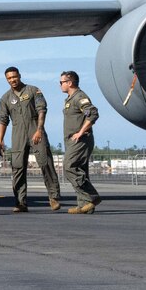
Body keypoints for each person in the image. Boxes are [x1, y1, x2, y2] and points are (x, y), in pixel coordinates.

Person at [0, 66, 61, 212]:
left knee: (45, 163)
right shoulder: (5, 98)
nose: (12, 80)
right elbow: (2, 120)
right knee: (18, 168)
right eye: (9, 78)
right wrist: (0, 140)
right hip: (17, 133)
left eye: (14, 77)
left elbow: (42, 110)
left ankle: (54, 197)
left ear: (19, 75)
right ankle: (20, 202)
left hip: (35, 129)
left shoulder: (33, 90)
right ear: (7, 80)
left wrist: (39, 130)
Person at [59, 70, 104, 214]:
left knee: (69, 167)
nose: (60, 85)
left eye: (62, 82)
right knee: (81, 170)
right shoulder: (70, 99)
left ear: (70, 83)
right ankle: (84, 205)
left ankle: (92, 196)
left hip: (80, 139)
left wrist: (80, 132)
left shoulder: (79, 97)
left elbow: (92, 113)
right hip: (72, 140)